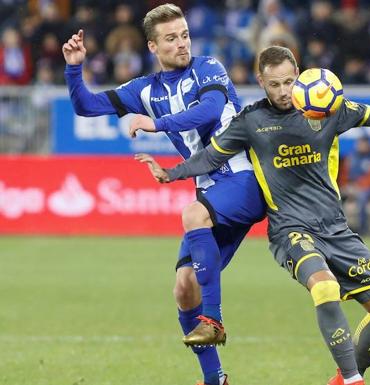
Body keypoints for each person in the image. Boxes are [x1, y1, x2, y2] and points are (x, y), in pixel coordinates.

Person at [135, 46, 370, 385]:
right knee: (325, 287)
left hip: (335, 228)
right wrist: (172, 172)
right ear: (261, 82)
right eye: (275, 84)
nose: (284, 91)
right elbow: (210, 157)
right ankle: (352, 379)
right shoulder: (251, 122)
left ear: (299, 77)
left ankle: (342, 377)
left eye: (289, 81)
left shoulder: (328, 109)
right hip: (291, 230)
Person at [62, 4, 266, 385]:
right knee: (184, 289)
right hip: (210, 191)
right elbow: (85, 105)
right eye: (171, 39)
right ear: (153, 47)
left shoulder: (209, 68)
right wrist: (75, 68)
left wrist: (155, 124)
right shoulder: (145, 90)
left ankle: (214, 320)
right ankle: (214, 379)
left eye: (185, 34)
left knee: (192, 215)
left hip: (243, 180)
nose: (182, 44)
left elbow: (209, 111)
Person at [339, 136, 370, 235]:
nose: (361, 146)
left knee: (362, 198)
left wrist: (359, 186)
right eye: (360, 144)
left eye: (363, 144)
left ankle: (362, 229)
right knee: (336, 197)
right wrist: (347, 186)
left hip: (368, 189)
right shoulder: (351, 157)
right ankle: (338, 228)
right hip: (350, 187)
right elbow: (344, 175)